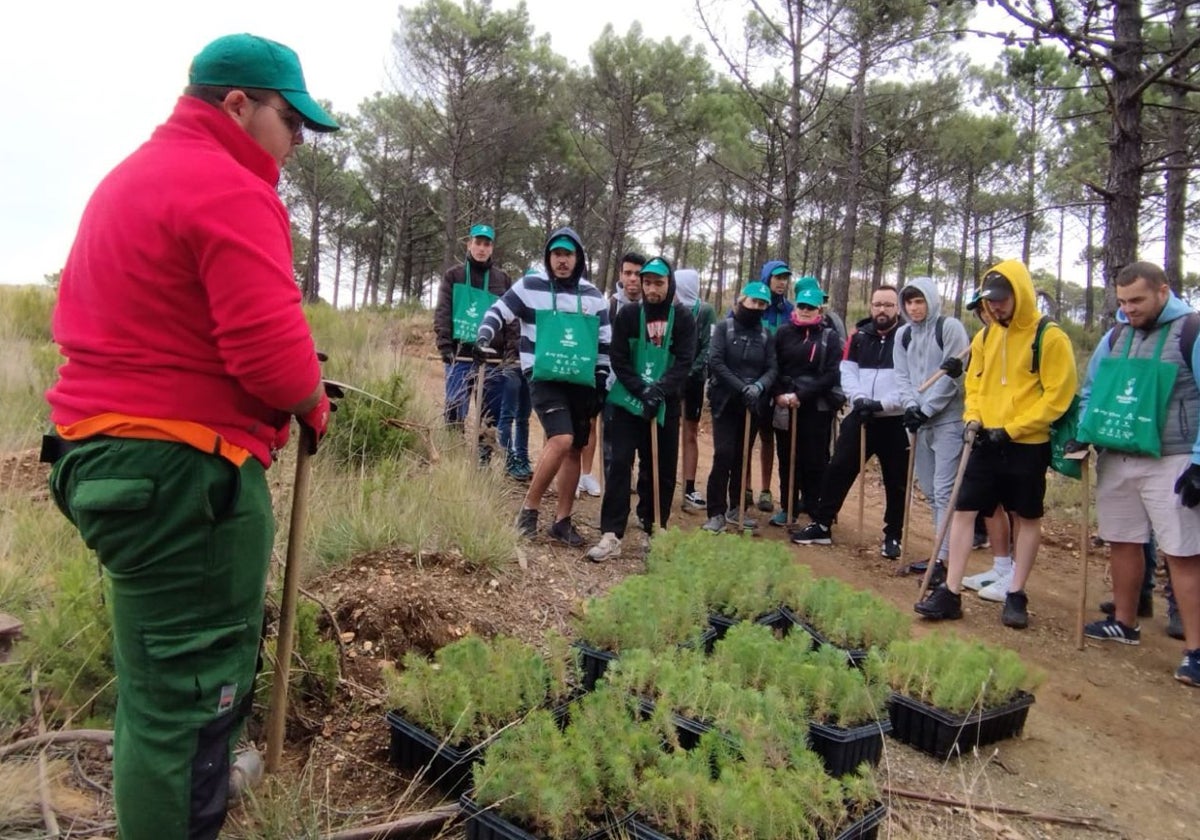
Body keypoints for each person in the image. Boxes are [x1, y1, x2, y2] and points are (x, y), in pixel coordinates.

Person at [42, 34, 338, 839]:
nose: (297, 141)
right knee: (189, 697)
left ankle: (189, 790)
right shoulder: (228, 185)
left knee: (157, 689)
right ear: (237, 105)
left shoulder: (130, 177)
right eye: (291, 119)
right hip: (178, 472)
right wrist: (312, 401)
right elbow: (271, 357)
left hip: (97, 458)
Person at [915, 261, 1078, 629]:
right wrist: (973, 416)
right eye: (992, 301)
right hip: (984, 438)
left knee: (1026, 514)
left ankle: (1016, 592)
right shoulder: (986, 336)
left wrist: (1015, 428)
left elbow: (1058, 396)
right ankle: (950, 592)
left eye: (1003, 300)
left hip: (1027, 442)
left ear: (1020, 295)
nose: (997, 307)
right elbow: (974, 384)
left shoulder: (1049, 337)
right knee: (965, 510)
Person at [1074, 261, 1200, 685]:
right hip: (1119, 453)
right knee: (1122, 540)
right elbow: (1093, 389)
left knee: (1183, 552)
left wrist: (1199, 462)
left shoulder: (1191, 332)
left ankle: (1196, 650)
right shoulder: (1116, 336)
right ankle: (1124, 622)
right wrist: (1082, 432)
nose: (1129, 308)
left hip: (1173, 458)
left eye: (1137, 300)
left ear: (1163, 292)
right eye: (1123, 301)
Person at [475, 227, 611, 545]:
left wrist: (602, 382)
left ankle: (562, 521)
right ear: (549, 257)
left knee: (575, 447)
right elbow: (498, 311)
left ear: (579, 259)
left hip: (582, 382)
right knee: (561, 439)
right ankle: (529, 510)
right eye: (556, 254)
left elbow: (605, 342)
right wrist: (483, 337)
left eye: (568, 254)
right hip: (544, 377)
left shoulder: (593, 296)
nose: (562, 261)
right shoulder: (530, 286)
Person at [587, 258, 696, 560]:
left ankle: (653, 527)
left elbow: (684, 362)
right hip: (626, 401)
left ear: (669, 284)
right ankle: (611, 533)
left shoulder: (684, 319)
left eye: (658, 283)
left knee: (659, 468)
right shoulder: (628, 315)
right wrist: (641, 389)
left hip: (664, 404)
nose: (651, 288)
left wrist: (658, 391)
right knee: (619, 464)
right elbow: (619, 358)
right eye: (647, 282)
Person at [793, 285, 910, 558]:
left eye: (888, 305)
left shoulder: (907, 339)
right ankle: (822, 524)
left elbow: (910, 381)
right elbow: (848, 371)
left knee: (896, 480)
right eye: (878, 304)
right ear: (871, 306)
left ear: (897, 308)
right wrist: (858, 399)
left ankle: (893, 535)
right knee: (838, 468)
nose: (882, 309)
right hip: (861, 415)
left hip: (894, 419)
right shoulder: (859, 336)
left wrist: (883, 404)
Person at [893, 277, 969, 576]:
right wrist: (911, 406)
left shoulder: (949, 328)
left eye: (920, 301)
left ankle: (944, 560)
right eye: (910, 302)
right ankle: (940, 552)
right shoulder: (903, 336)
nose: (914, 308)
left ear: (931, 300)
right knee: (928, 488)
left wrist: (926, 409)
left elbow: (953, 376)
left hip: (948, 419)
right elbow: (901, 374)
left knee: (944, 489)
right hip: (917, 422)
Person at [702, 282, 778, 533]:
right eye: (754, 301)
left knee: (741, 458)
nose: (757, 307)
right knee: (723, 454)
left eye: (762, 304)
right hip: (725, 402)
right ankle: (716, 512)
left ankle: (737, 508)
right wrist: (740, 386)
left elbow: (772, 368)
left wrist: (758, 387)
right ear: (742, 301)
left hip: (752, 405)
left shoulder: (766, 335)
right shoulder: (725, 328)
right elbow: (715, 360)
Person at [433, 223, 512, 459]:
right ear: (469, 244)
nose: (481, 248)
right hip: (460, 354)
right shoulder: (453, 276)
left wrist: (510, 351)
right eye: (477, 243)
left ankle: (484, 458)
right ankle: (453, 453)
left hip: (492, 357)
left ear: (492, 248)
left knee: (490, 412)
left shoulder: (503, 279)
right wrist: (444, 344)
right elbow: (443, 311)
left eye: (486, 244)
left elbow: (511, 318)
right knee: (455, 406)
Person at [768, 283, 843, 527]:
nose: (805, 310)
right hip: (784, 404)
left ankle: (814, 509)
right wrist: (779, 393)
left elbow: (832, 374)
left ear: (819, 310)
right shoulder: (782, 333)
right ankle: (787, 507)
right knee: (787, 456)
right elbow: (773, 366)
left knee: (814, 460)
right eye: (802, 306)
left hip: (816, 406)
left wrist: (802, 394)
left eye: (811, 307)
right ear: (795, 306)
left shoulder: (829, 337)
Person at [578, 252, 647, 497]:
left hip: (642, 384)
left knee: (639, 439)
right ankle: (603, 486)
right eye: (628, 273)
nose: (633, 279)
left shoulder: (652, 309)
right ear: (620, 275)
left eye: (638, 274)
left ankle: (632, 484)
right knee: (609, 440)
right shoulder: (609, 306)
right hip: (611, 383)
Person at [745, 260, 796, 512]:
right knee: (747, 436)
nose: (781, 282)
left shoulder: (790, 310)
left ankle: (766, 490)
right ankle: (745, 487)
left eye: (785, 278)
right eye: (777, 277)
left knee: (768, 436)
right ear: (767, 278)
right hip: (752, 381)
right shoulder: (754, 305)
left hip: (778, 382)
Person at [674, 268, 716, 513]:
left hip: (693, 381)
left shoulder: (705, 311)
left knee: (690, 431)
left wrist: (689, 371)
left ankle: (689, 486)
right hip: (670, 380)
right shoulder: (670, 308)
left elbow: (708, 347)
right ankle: (665, 481)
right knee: (666, 429)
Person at [498, 270, 535, 480]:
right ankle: (507, 457)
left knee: (524, 417)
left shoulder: (541, 314)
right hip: (511, 366)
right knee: (508, 414)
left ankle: (522, 457)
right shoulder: (511, 309)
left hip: (530, 370)